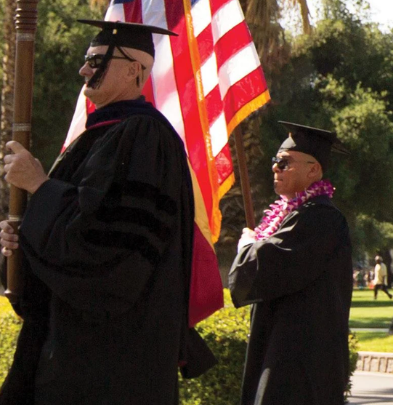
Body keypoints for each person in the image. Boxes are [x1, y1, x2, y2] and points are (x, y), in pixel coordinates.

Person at [0, 20, 209, 404]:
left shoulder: (146, 139)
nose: (84, 70)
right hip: (69, 350)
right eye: (86, 59)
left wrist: (41, 189)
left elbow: (106, 248)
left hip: (114, 361)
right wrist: (23, 241)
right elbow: (70, 240)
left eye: (97, 60)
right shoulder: (96, 139)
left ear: (134, 70)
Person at [229, 122, 351, 405]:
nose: (276, 168)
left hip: (300, 363)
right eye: (275, 161)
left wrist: (247, 247)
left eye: (285, 162)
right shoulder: (293, 217)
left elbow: (269, 265)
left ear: (313, 170)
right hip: (280, 350)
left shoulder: (321, 218)